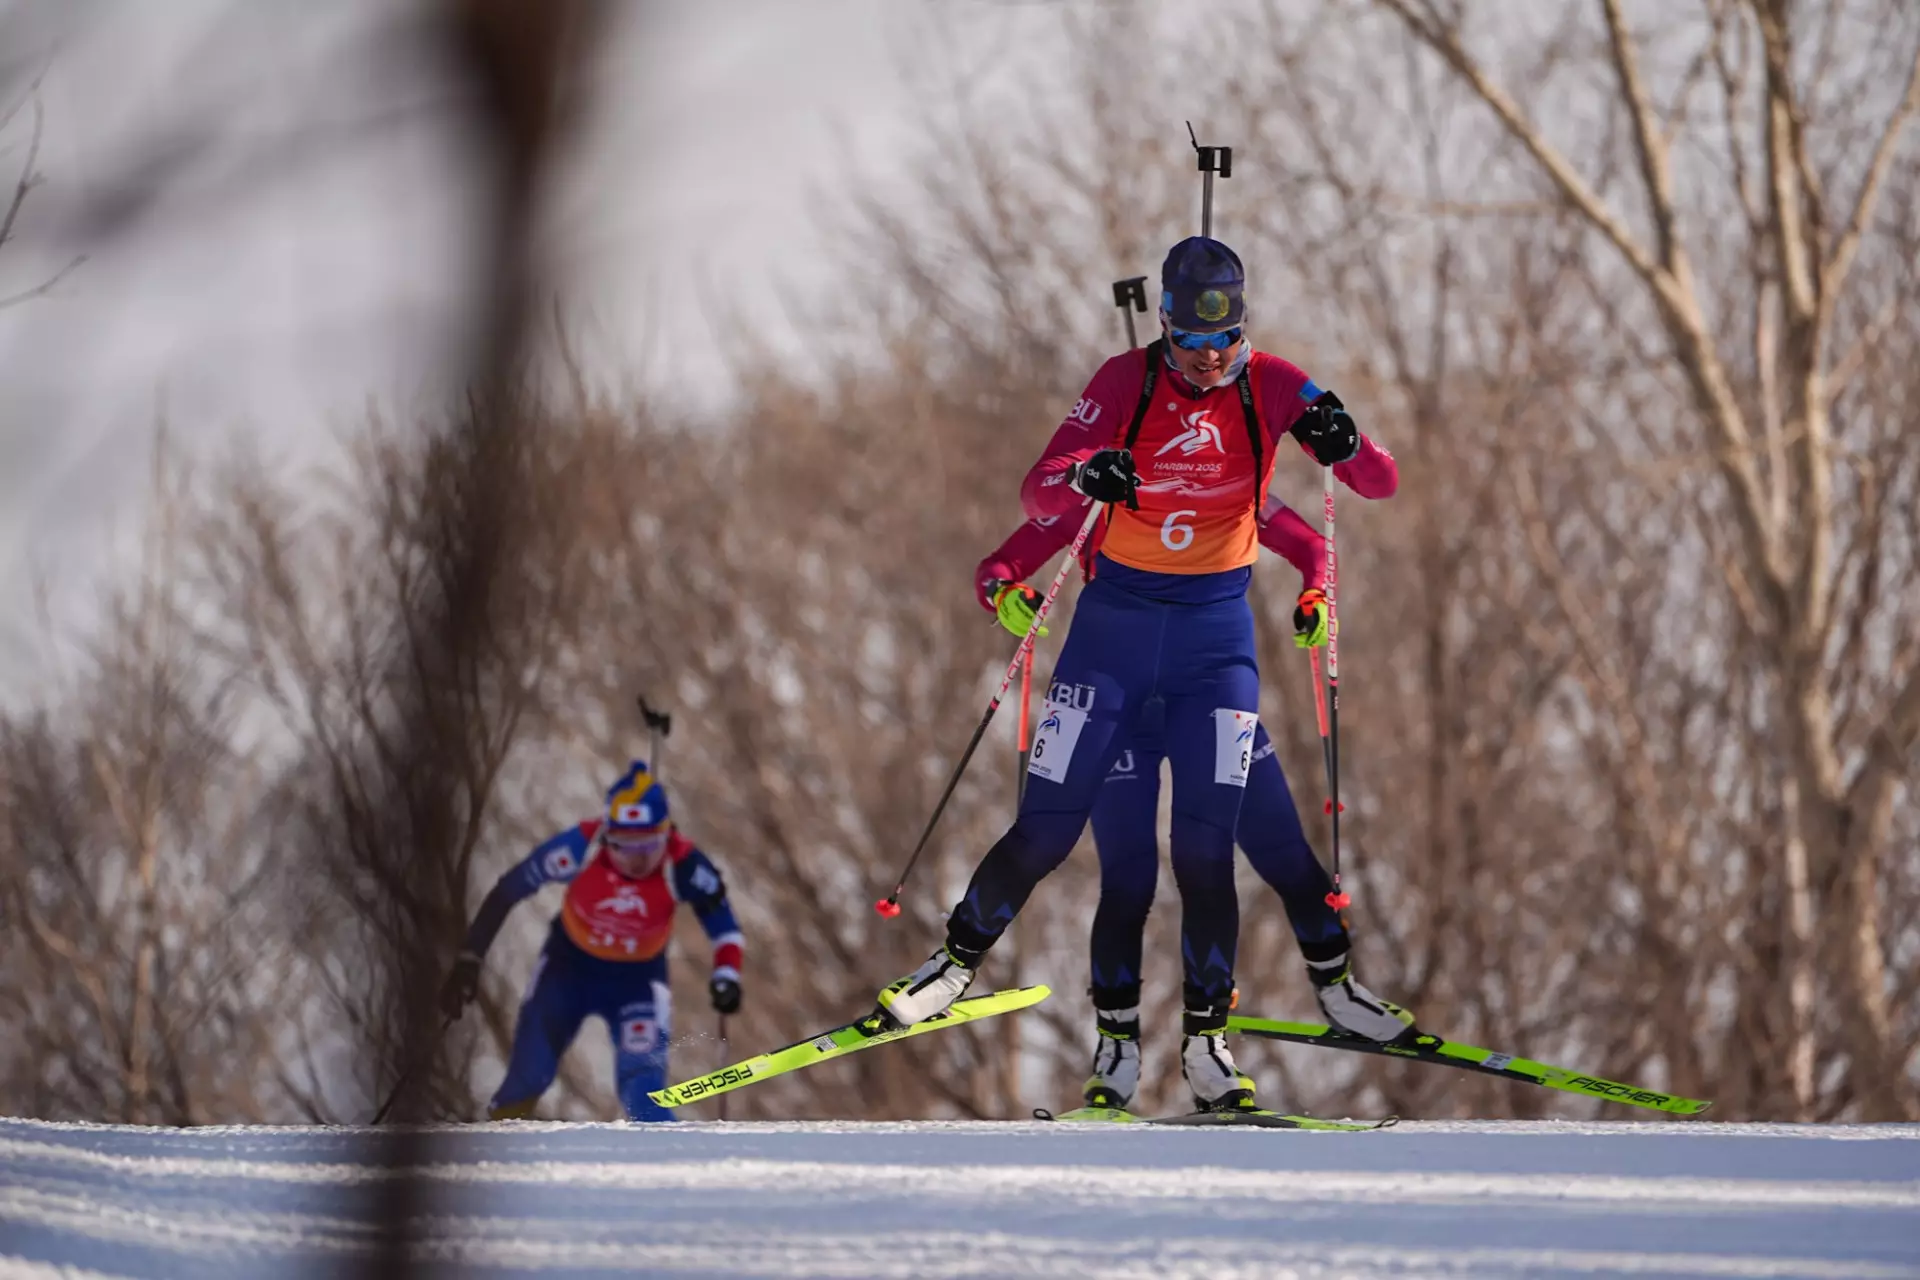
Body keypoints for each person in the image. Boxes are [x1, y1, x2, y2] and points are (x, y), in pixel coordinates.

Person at [877, 235, 1398, 1112]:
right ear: (1163, 325)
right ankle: (950, 968)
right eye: (1192, 345)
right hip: (1111, 638)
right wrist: (1086, 472)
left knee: (1205, 850)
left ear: (1244, 328)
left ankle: (1207, 1046)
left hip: (1215, 645)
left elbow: (1374, 482)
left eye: (1224, 342)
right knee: (1045, 829)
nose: (1208, 361)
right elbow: (1038, 496)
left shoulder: (1271, 383)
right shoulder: (1125, 382)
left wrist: (1345, 435)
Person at [977, 495, 1415, 1112]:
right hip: (1120, 715)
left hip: (1208, 699)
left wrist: (1316, 594)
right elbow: (1000, 565)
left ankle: (1332, 994)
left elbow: (1314, 547)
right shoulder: (1103, 490)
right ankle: (1116, 1050)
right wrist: (1004, 596)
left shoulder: (1230, 483)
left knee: (1280, 853)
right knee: (1129, 880)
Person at [440, 761, 743, 1122]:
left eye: (649, 845)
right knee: (528, 1077)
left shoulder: (685, 865)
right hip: (568, 968)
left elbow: (725, 927)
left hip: (638, 981)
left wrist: (727, 975)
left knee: (642, 1093)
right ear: (606, 836)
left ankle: (678, 1164)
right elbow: (507, 891)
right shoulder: (577, 848)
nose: (636, 860)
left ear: (667, 835)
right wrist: (471, 958)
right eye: (623, 846)